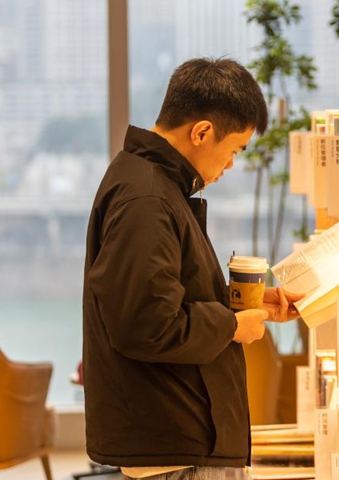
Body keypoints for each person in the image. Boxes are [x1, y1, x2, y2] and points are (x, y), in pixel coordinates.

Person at [82, 57, 303, 480]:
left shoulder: (152, 184)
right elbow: (148, 324)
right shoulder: (146, 197)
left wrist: (245, 306)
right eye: (234, 149)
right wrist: (232, 326)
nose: (231, 165)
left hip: (179, 441)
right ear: (202, 132)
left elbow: (166, 298)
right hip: (175, 452)